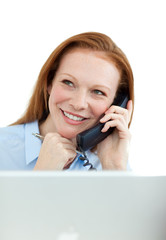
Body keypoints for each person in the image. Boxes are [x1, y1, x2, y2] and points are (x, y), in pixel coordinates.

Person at [0, 32, 134, 171]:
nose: (78, 104)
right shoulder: (3, 149)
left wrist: (113, 166)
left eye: (98, 92)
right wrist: (42, 175)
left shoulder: (112, 163)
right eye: (68, 83)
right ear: (49, 82)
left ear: (116, 103)